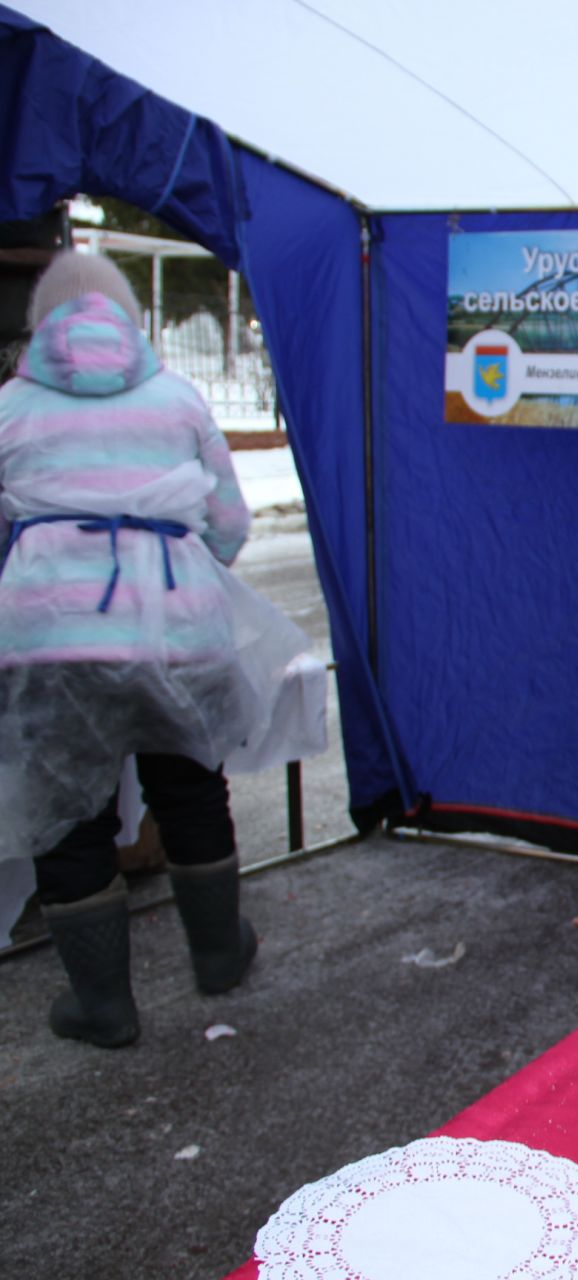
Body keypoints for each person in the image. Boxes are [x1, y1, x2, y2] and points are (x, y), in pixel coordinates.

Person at [0, 252, 308, 1047]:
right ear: (129, 321)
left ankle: (103, 1005)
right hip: (179, 632)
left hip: (49, 642)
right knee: (190, 786)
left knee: (69, 813)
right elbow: (231, 525)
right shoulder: (177, 397)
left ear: (40, 327)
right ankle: (217, 958)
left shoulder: (12, 406)